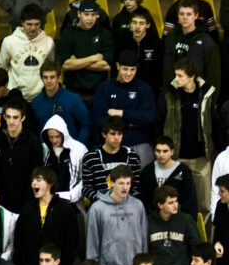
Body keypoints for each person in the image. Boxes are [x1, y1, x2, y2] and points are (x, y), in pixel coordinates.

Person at [157, 57, 219, 217]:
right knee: (173, 202)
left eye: (180, 75)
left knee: (204, 205)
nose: (175, 79)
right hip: (176, 158)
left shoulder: (206, 95)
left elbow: (215, 124)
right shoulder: (168, 95)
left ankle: (202, 238)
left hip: (201, 158)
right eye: (175, 75)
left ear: (192, 77)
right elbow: (158, 123)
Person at [86, 164, 148, 265]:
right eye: (121, 183)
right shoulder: (97, 208)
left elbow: (144, 238)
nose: (125, 187)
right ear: (111, 183)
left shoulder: (138, 206)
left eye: (128, 183)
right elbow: (92, 242)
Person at [91, 51, 157, 166]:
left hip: (138, 142)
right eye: (125, 69)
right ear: (117, 66)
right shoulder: (104, 88)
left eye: (132, 70)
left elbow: (149, 117)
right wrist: (129, 123)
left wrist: (120, 113)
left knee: (144, 178)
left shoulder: (144, 89)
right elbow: (98, 118)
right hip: (110, 143)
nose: (128, 73)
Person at [13, 166, 80, 265]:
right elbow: (19, 240)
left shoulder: (65, 209)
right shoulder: (27, 209)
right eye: (32, 180)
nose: (34, 183)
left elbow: (72, 242)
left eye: (38, 180)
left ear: (50, 183)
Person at [148, 184, 200, 265]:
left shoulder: (186, 220)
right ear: (160, 205)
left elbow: (196, 246)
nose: (175, 205)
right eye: (170, 202)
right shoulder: (148, 222)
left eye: (176, 201)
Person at [0, 98, 43, 214]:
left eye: (15, 117)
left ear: (23, 118)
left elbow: (37, 175)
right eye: (8, 117)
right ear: (3, 117)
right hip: (1, 204)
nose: (11, 121)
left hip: (26, 204)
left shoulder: (33, 143)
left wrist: (30, 203)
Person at [57, 0, 114, 105]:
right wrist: (93, 58)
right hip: (73, 91)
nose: (90, 19)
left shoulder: (104, 33)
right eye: (86, 14)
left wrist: (77, 62)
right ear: (79, 14)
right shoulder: (68, 33)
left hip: (98, 91)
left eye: (93, 15)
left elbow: (106, 65)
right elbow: (65, 65)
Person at [0, 3, 55, 101]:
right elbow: (2, 68)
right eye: (29, 24)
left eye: (37, 24)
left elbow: (51, 67)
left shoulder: (49, 42)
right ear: (22, 22)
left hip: (41, 96)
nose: (33, 28)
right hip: (15, 96)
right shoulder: (8, 41)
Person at [163, 0, 220, 93]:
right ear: (178, 16)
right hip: (176, 92)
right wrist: (168, 94)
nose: (185, 17)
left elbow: (213, 75)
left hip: (198, 94)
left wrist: (209, 100)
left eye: (189, 14)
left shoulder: (206, 41)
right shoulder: (171, 38)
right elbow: (167, 70)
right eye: (182, 14)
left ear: (196, 15)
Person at [31, 59, 90, 147]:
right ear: (41, 79)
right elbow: (33, 130)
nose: (49, 81)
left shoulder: (73, 100)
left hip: (70, 150)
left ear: (59, 78)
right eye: (45, 77)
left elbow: (86, 124)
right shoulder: (35, 102)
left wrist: (79, 146)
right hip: (45, 151)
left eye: (52, 77)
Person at [82, 115, 141, 203]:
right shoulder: (90, 158)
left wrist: (122, 200)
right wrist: (104, 202)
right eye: (113, 133)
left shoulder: (132, 157)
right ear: (104, 134)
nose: (116, 138)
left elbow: (136, 187)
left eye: (119, 134)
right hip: (100, 206)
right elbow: (86, 189)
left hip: (126, 205)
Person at [139, 136, 198, 219]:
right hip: (153, 220)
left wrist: (188, 223)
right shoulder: (147, 171)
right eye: (158, 151)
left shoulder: (183, 171)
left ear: (172, 152)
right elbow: (143, 199)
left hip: (177, 220)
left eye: (165, 151)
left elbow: (190, 200)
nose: (161, 155)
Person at [39, 113, 88, 206]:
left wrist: (72, 195)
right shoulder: (43, 150)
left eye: (57, 136)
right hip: (48, 202)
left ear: (64, 134)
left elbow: (85, 179)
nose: (54, 140)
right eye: (51, 137)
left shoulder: (79, 149)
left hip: (73, 203)